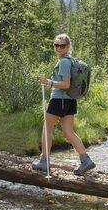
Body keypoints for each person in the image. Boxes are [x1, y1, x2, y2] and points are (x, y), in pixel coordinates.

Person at [33, 34, 96, 175]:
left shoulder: (64, 62)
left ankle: (44, 161)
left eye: (62, 46)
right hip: (70, 100)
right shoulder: (70, 61)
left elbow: (65, 84)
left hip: (59, 100)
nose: (59, 48)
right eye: (56, 45)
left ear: (68, 47)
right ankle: (85, 160)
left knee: (47, 128)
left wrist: (48, 82)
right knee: (68, 132)